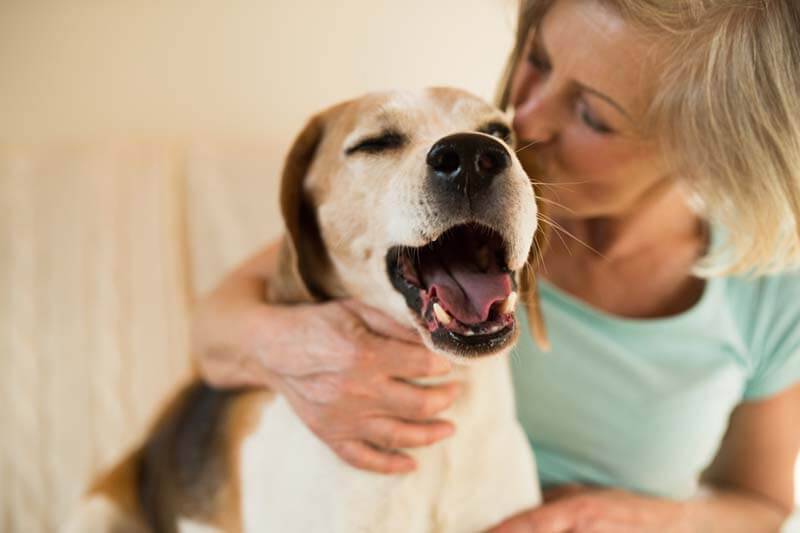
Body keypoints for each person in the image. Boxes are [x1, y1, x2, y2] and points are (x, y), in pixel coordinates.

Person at [191, 0, 800, 530]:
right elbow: (217, 332)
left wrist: (655, 522)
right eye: (536, 59)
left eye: (592, 115)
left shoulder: (770, 291)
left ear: (709, 152)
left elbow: (763, 502)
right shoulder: (451, 198)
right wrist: (306, 355)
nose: (524, 122)